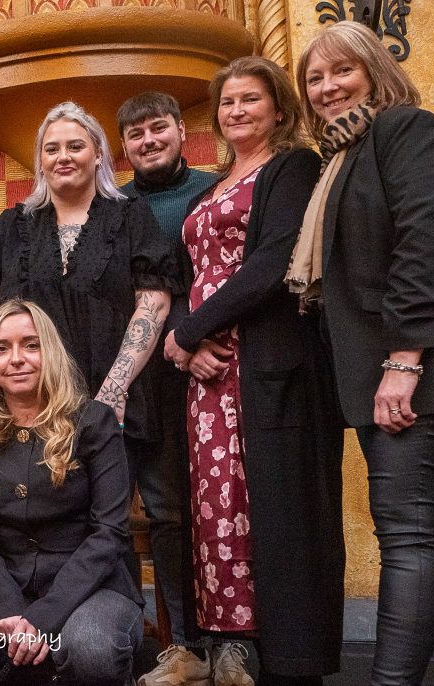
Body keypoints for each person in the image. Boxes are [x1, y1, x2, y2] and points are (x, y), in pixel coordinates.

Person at [162, 56, 343, 685]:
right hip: (208, 377)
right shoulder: (210, 187)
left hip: (265, 367)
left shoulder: (293, 168)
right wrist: (187, 342)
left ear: (279, 107)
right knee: (216, 505)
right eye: (227, 102)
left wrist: (189, 331)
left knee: (276, 508)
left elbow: (272, 264)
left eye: (250, 99)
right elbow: (188, 277)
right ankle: (227, 644)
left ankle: (285, 655)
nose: (236, 110)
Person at [290, 21, 434, 685]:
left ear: (376, 69)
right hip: (379, 373)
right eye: (314, 79)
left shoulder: (403, 130)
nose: (327, 88)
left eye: (341, 71)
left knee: (407, 537)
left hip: (411, 373)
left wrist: (403, 361)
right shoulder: (339, 158)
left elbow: (422, 243)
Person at [0, 103, 175, 535]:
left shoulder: (130, 214)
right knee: (46, 530)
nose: (63, 156)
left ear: (98, 154)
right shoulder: (13, 224)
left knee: (114, 528)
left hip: (115, 397)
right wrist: (4, 371)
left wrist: (113, 392)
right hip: (33, 405)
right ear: (40, 160)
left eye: (75, 146)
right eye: (52, 149)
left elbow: (153, 302)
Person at [0, 299, 143, 685]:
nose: (16, 359)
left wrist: (42, 617)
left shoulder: (93, 421)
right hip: (8, 580)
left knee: (90, 645)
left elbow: (109, 533)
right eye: (2, 349)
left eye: (31, 345)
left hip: (92, 587)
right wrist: (4, 605)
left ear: (50, 352)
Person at [116, 91, 218, 685]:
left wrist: (195, 335)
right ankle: (123, 641)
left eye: (158, 128)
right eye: (136, 134)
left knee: (175, 514)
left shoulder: (210, 192)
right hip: (124, 380)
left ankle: (189, 642)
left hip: (188, 374)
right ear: (122, 146)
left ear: (181, 130)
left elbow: (218, 277)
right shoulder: (114, 203)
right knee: (107, 515)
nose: (149, 141)